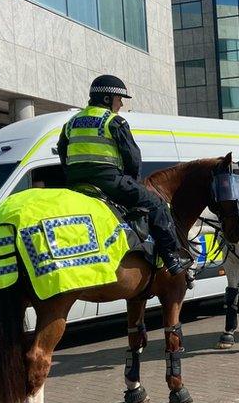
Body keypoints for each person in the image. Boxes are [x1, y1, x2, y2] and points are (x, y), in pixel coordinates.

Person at [57, 75, 193, 276]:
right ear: (107, 99)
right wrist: (132, 181)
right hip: (109, 181)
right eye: (119, 99)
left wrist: (73, 174)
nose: (120, 104)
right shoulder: (113, 121)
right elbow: (132, 157)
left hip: (76, 182)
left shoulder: (71, 122)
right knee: (157, 204)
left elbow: (62, 151)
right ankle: (172, 258)